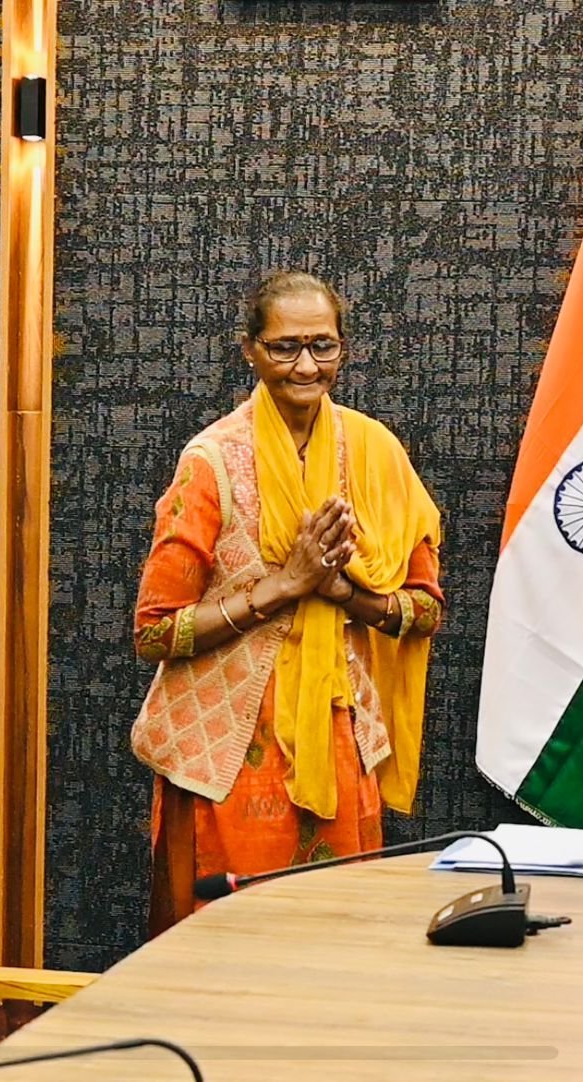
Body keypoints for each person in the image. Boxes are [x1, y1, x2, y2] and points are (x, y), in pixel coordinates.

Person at [131, 270, 443, 931]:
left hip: (339, 742)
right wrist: (283, 586)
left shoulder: (376, 454)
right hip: (226, 757)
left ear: (343, 347)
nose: (306, 366)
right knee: (225, 946)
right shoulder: (212, 462)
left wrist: (344, 593)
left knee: (336, 943)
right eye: (285, 347)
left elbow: (425, 610)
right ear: (250, 349)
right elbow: (155, 632)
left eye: (323, 346)